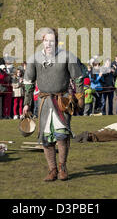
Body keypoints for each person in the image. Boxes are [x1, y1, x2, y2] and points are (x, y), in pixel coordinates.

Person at [22, 28, 84, 182]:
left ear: (56, 42)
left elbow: (78, 78)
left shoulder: (67, 57)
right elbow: (28, 83)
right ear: (42, 41)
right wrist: (27, 103)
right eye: (46, 40)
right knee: (46, 139)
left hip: (61, 101)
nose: (48, 43)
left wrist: (80, 97)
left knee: (62, 135)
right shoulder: (34, 59)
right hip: (43, 102)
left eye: (52, 40)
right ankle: (52, 170)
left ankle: (63, 167)